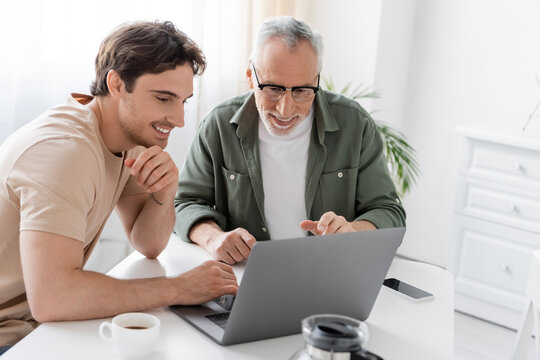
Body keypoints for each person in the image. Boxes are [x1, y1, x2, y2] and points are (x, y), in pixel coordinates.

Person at [0, 21, 238, 353]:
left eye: (183, 101)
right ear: (116, 84)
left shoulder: (129, 135)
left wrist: (166, 191)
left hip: (34, 326)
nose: (179, 119)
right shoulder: (63, 153)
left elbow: (149, 244)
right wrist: (179, 289)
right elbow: (53, 298)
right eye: (163, 98)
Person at [174, 16, 406, 265]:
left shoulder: (355, 124)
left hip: (329, 270)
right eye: (273, 89)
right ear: (251, 77)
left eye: (302, 91)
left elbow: (389, 211)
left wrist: (353, 232)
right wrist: (213, 238)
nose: (285, 110)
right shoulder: (218, 126)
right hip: (245, 273)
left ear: (317, 80)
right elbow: (184, 204)